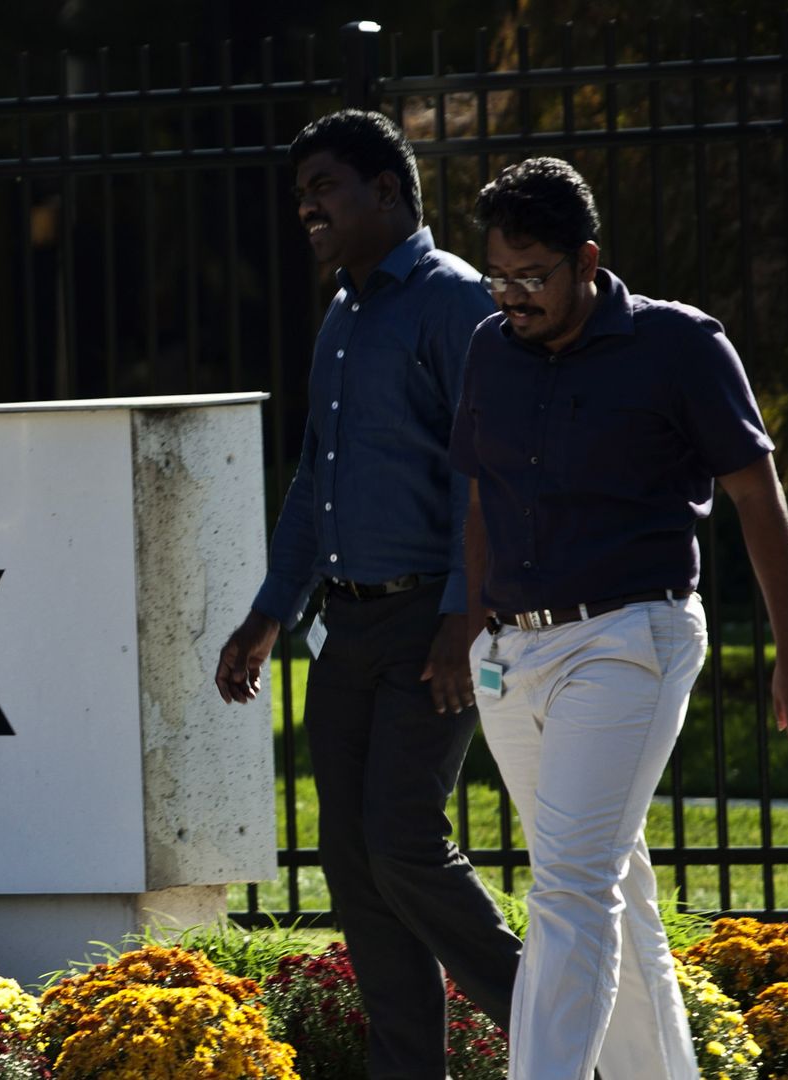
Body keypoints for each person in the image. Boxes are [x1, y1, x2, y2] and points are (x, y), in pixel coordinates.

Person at [452, 157, 788, 1080]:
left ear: (587, 260)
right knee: (612, 883)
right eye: (499, 277)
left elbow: (756, 494)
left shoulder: (680, 345)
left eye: (533, 276)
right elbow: (476, 494)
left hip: (629, 638)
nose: (513, 297)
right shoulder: (488, 348)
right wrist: (469, 625)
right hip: (510, 653)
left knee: (569, 890)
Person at [214, 109, 520, 1077]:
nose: (305, 206)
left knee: (403, 842)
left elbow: (485, 473)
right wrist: (272, 612)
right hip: (342, 631)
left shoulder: (454, 302)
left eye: (325, 187)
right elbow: (316, 475)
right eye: (300, 192)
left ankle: (560, 1027)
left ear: (387, 190)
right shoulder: (344, 315)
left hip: (429, 619)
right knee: (354, 866)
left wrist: (462, 617)